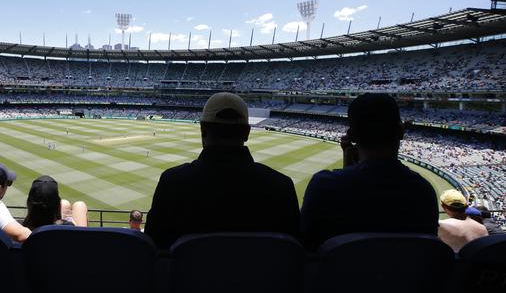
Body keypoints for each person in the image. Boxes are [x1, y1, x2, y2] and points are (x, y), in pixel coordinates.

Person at [145, 92, 300, 249]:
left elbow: (153, 251)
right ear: (247, 132)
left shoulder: (172, 182)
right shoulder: (281, 186)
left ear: (203, 130)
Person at [301, 93, 439, 249]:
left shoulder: (323, 185)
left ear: (351, 135)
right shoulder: (423, 191)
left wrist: (349, 168)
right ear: (401, 131)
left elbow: (306, 246)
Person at [22, 175, 89, 230]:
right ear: (58, 206)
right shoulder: (67, 227)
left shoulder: (20, 230)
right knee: (79, 205)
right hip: (69, 239)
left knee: (66, 204)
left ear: (29, 203)